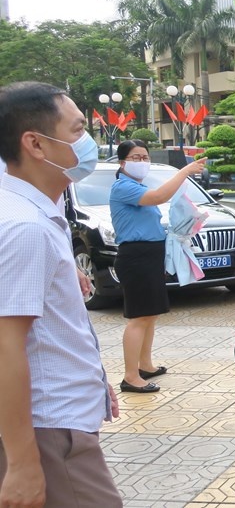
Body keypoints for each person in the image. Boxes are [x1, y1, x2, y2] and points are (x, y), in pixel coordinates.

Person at [0, 81, 122, 507]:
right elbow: (6, 345)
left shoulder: (34, 213)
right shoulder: (23, 228)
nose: (88, 142)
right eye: (77, 130)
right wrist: (22, 463)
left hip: (56, 424)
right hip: (48, 430)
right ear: (35, 143)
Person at [111, 139, 206, 393]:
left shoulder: (136, 185)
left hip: (150, 255)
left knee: (149, 315)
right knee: (138, 318)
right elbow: (159, 196)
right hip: (136, 257)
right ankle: (130, 376)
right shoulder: (124, 188)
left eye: (145, 157)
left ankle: (145, 365)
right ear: (122, 162)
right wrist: (185, 171)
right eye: (135, 157)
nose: (142, 162)